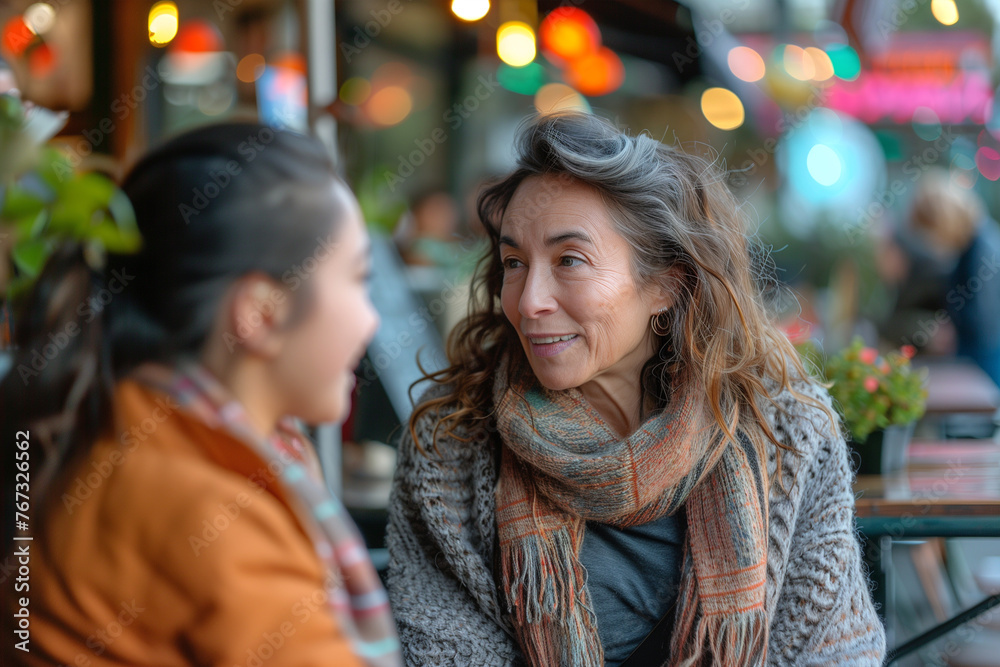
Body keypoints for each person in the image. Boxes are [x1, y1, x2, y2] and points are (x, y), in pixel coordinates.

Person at [385, 113, 885, 666]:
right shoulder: (452, 445)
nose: (529, 302)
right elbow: (443, 653)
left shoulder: (789, 436)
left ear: (666, 285)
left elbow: (836, 651)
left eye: (570, 260)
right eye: (514, 263)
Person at [1, 124, 401, 666]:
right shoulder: (210, 509)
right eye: (358, 279)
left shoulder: (125, 425)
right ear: (260, 312)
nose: (370, 319)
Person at [908, 169, 1000, 385]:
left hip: (985, 365)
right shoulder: (972, 245)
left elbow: (985, 327)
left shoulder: (981, 252)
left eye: (930, 233)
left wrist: (952, 331)